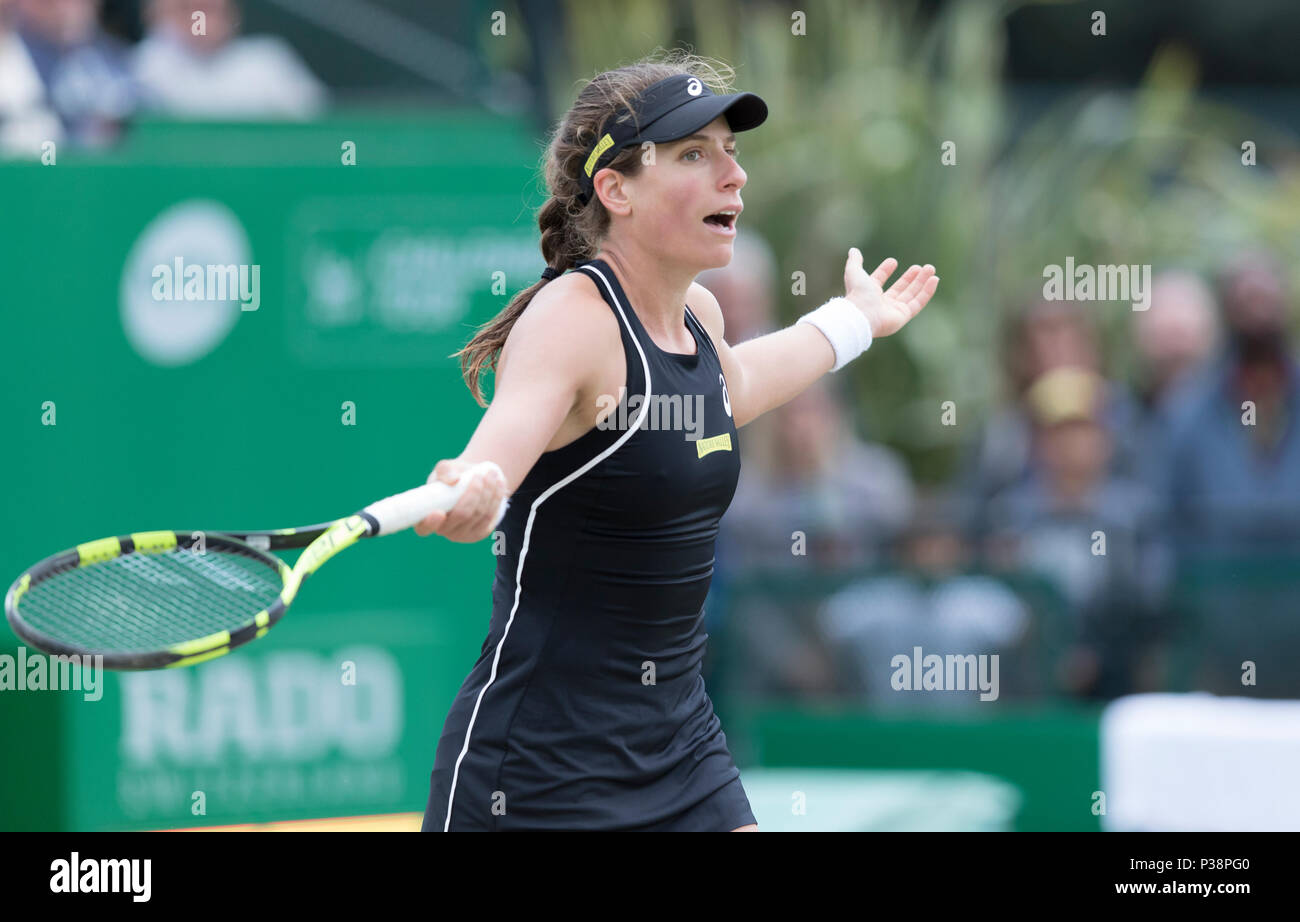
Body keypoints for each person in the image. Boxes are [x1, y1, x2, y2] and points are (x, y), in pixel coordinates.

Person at [414, 51, 938, 831]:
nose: (735, 176)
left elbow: (739, 389)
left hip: (682, 750)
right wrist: (467, 497)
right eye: (695, 154)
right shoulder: (572, 318)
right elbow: (488, 470)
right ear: (615, 189)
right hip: (536, 776)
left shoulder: (699, 317)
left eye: (732, 152)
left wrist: (853, 321)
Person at [132, 0, 326, 119]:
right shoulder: (151, 62)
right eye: (190, 8)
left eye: (211, 9)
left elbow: (318, 122)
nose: (201, 20)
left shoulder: (267, 60)